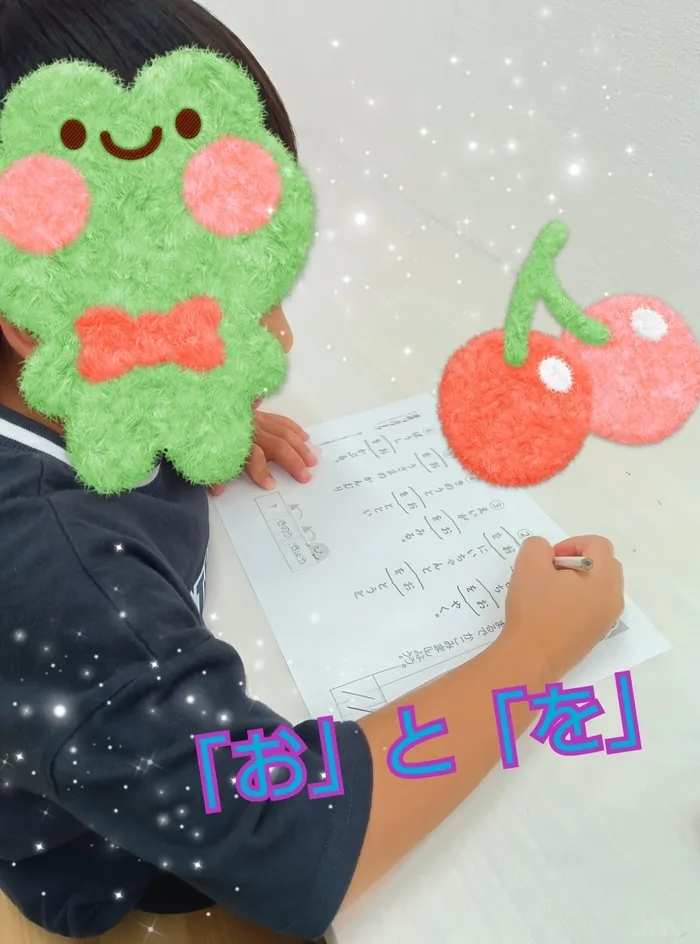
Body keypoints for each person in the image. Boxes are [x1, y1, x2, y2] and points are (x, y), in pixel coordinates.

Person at [0, 0, 625, 941]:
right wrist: (531, 657)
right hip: (123, 862)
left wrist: (189, 405)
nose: (282, 336)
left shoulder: (73, 386)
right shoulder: (54, 581)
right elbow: (291, 836)